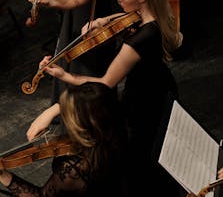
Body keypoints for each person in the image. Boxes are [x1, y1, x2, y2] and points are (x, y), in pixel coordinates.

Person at [36, 0, 183, 196]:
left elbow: (103, 85)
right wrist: (102, 20)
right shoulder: (150, 16)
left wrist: (65, 76)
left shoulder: (140, 41)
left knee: (139, 154)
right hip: (159, 86)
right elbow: (127, 16)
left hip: (146, 100)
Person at [0, 82, 128, 196]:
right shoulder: (115, 131)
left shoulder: (74, 170)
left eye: (66, 114)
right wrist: (51, 111)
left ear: (81, 125)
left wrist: (3, 175)